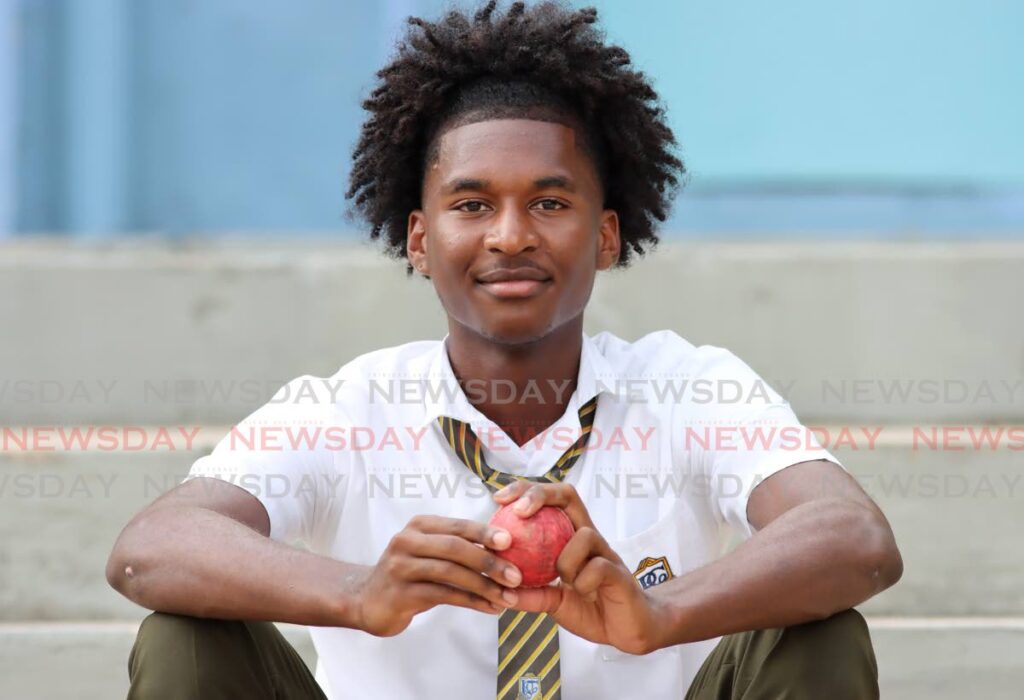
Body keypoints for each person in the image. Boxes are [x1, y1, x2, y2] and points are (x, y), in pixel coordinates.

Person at [107, 2, 902, 698]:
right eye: (472, 203)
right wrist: (358, 590)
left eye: (550, 202)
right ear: (420, 240)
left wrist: (661, 614)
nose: (511, 235)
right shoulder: (349, 407)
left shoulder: (688, 387)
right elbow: (152, 548)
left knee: (819, 633)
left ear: (606, 236)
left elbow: (855, 539)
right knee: (186, 638)